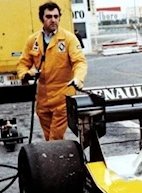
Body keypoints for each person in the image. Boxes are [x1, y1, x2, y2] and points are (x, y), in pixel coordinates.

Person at [17, 1, 87, 141]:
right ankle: (60, 159)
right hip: (42, 98)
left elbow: (79, 62)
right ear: (42, 19)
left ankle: (57, 161)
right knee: (49, 137)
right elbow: (22, 64)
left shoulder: (69, 39)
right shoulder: (33, 40)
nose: (53, 20)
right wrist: (25, 74)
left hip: (63, 96)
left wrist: (78, 79)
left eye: (56, 16)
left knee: (55, 138)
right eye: (49, 16)